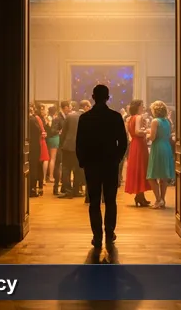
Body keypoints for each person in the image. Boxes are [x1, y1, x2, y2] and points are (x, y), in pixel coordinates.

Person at [75, 85, 128, 248]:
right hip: (110, 163)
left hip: (92, 164)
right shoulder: (115, 117)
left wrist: (82, 161)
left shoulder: (85, 118)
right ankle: (109, 233)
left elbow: (79, 143)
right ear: (108, 97)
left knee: (94, 201)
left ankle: (97, 236)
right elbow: (123, 142)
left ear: (93, 96)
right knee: (111, 200)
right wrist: (117, 158)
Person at [146, 100, 176, 209]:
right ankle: (163, 199)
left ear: (155, 110)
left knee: (151, 175)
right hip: (166, 147)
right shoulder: (167, 121)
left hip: (158, 147)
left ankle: (158, 200)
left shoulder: (155, 121)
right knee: (163, 176)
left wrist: (147, 135)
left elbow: (153, 137)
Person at [59, 100, 88, 199]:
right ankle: (76, 191)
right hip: (80, 147)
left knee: (66, 169)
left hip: (68, 146)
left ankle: (68, 191)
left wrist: (62, 144)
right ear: (86, 107)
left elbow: (63, 133)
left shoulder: (70, 116)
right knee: (78, 170)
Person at [124, 100, 151, 207]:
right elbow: (137, 131)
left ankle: (140, 196)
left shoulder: (129, 118)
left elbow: (131, 133)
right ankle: (140, 196)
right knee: (141, 169)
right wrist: (147, 131)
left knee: (138, 169)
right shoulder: (138, 117)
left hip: (134, 144)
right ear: (138, 107)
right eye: (142, 105)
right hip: (139, 144)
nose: (143, 107)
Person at [27, 102, 49, 197]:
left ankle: (34, 188)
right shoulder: (34, 119)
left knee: (35, 167)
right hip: (37, 145)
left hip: (35, 145)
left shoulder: (32, 119)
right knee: (36, 167)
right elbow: (41, 131)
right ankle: (35, 188)